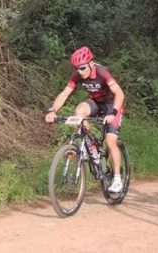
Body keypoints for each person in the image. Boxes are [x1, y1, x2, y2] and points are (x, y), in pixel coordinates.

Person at [45, 46, 125, 193]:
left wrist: (113, 112)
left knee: (110, 141)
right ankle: (91, 148)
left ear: (91, 63)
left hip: (112, 104)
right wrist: (52, 111)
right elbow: (64, 94)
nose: (79, 72)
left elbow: (119, 93)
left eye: (82, 68)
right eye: (76, 69)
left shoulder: (102, 72)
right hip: (95, 102)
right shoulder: (77, 75)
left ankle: (118, 179)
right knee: (79, 111)